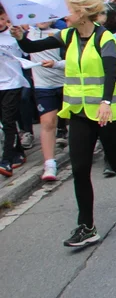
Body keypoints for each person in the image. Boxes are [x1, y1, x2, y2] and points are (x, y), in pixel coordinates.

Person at [13, 0, 116, 246]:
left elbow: (110, 73)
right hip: (78, 112)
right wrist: (20, 37)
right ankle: (86, 226)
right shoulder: (68, 35)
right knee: (80, 168)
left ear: (83, 12)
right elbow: (32, 45)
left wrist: (106, 102)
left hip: (107, 112)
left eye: (69, 10)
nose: (65, 15)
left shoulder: (105, 38)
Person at [26, 17, 65, 181]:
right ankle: (49, 164)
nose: (42, 19)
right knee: (48, 123)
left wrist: (56, 64)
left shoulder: (61, 33)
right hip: (43, 86)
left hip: (66, 83)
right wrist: (19, 36)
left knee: (79, 120)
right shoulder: (27, 34)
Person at [0, 5, 30, 177]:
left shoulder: (13, 35)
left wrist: (21, 35)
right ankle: (18, 151)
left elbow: (27, 51)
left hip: (13, 83)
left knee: (8, 120)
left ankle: (6, 160)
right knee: (5, 121)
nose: (0, 22)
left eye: (2, 18)